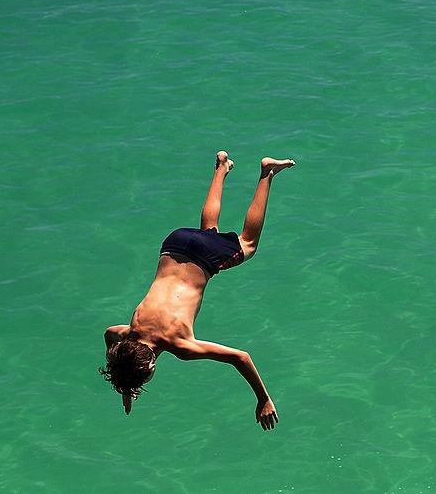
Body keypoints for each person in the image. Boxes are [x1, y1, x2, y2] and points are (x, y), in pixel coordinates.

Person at [100, 151, 295, 431]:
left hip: (203, 258)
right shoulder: (128, 332)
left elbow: (240, 357)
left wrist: (263, 398)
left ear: (150, 367)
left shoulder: (179, 346)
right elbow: (109, 335)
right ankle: (221, 166)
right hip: (175, 243)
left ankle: (267, 173)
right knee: (209, 230)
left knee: (248, 244)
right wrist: (124, 382)